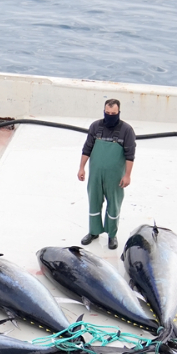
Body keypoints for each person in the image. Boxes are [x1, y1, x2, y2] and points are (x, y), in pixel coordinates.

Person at [76, 99, 136, 250]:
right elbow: (87, 148)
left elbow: (130, 155)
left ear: (118, 112)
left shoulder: (127, 130)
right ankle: (93, 231)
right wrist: (81, 167)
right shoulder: (95, 127)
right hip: (95, 174)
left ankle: (112, 234)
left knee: (114, 204)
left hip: (115, 176)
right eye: (107, 113)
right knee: (94, 201)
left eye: (113, 113)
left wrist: (127, 175)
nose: (110, 116)